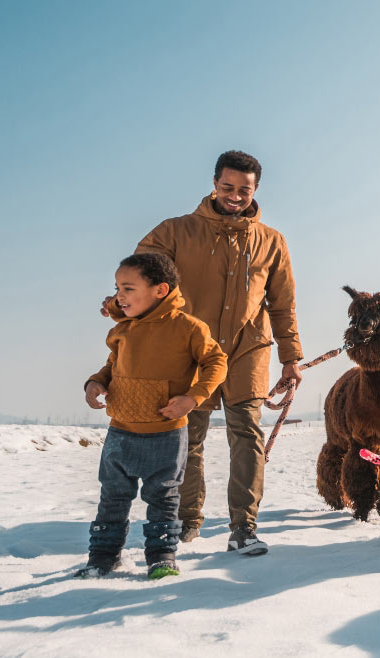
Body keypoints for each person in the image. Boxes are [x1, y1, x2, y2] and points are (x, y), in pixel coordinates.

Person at [103, 150, 301, 555]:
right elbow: (139, 279)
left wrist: (291, 357)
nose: (234, 196)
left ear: (255, 190)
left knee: (246, 433)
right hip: (192, 348)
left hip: (249, 349)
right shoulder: (175, 232)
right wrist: (116, 305)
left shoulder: (272, 242)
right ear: (214, 184)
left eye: (243, 190)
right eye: (227, 187)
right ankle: (186, 521)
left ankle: (244, 527)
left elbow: (282, 305)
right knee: (187, 437)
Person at [81, 253, 226, 578]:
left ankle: (162, 557)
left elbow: (216, 363)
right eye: (118, 287)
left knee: (163, 498)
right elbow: (112, 365)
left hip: (166, 433)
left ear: (160, 290)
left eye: (128, 288)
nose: (119, 296)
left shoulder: (188, 328)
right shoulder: (124, 329)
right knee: (112, 498)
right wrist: (96, 382)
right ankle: (102, 558)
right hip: (120, 432)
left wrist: (192, 397)